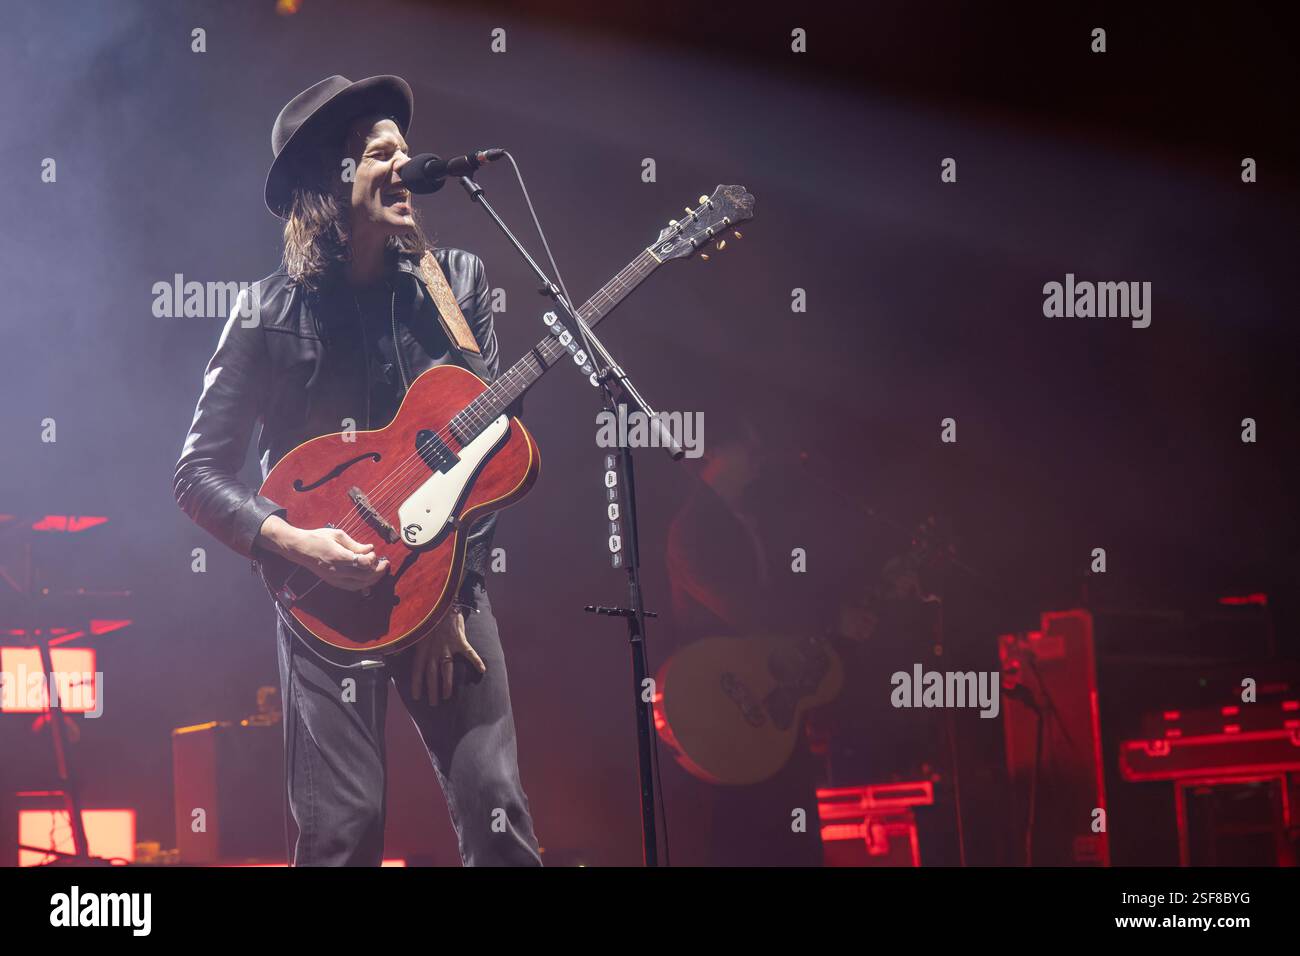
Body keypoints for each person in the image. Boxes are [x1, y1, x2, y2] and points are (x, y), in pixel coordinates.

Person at [174, 75, 540, 866]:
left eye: (405, 150)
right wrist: (296, 544)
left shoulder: (456, 284)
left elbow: (489, 450)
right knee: (345, 827)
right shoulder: (266, 311)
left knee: (495, 803)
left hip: (449, 579)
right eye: (380, 153)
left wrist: (451, 597)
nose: (405, 165)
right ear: (328, 182)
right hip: (323, 594)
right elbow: (197, 474)